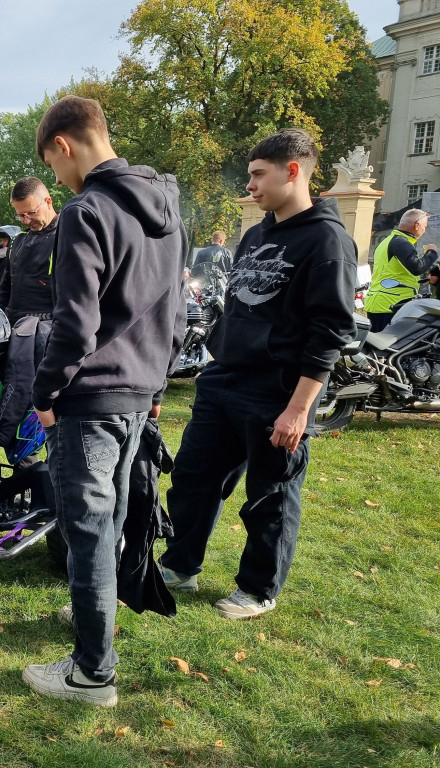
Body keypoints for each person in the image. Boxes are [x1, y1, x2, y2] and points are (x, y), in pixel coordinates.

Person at [22, 95, 187, 707]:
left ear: (63, 146)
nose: (59, 179)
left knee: (89, 529)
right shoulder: (169, 207)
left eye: (53, 165)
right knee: (111, 516)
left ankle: (91, 673)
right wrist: (159, 382)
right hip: (139, 390)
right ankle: (94, 620)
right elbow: (177, 312)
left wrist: (45, 391)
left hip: (90, 397)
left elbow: (74, 324)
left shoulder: (85, 211)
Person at [159, 129, 357, 622]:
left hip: (279, 392)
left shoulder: (328, 239)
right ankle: (181, 565)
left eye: (257, 175)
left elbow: (330, 331)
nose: (249, 186)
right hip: (224, 379)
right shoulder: (256, 232)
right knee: (191, 479)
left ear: (293, 171)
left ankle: (258, 589)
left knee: (269, 497)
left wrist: (298, 409)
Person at [364, 209, 438, 331]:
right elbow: (417, 267)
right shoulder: (401, 242)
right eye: (425, 226)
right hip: (391, 303)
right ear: (417, 225)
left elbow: (399, 271)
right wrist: (432, 252)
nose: (425, 230)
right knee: (392, 347)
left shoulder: (389, 241)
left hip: (380, 302)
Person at [0, 177, 58, 323]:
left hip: (47, 327)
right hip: (13, 324)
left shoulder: (67, 236)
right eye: (20, 215)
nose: (26, 220)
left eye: (31, 213)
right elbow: (5, 287)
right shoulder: (18, 240)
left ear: (48, 202)